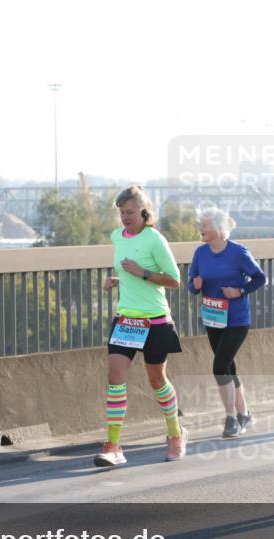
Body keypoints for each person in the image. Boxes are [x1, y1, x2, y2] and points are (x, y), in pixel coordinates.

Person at [95, 185, 188, 467]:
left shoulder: (155, 239)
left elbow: (174, 280)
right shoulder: (116, 237)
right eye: (122, 212)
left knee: (157, 380)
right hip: (126, 319)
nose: (125, 217)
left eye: (131, 212)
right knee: (115, 377)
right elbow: (128, 270)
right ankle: (113, 445)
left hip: (155, 321)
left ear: (144, 212)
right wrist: (117, 280)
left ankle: (175, 434)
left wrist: (142, 272)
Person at [187, 208, 267, 438]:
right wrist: (197, 285)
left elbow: (260, 278)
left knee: (219, 366)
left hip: (237, 320)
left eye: (205, 225)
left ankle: (231, 418)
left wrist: (239, 290)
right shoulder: (200, 253)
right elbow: (192, 285)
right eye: (200, 224)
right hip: (213, 318)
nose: (201, 229)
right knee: (229, 367)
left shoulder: (239, 252)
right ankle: (245, 415)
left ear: (219, 230)